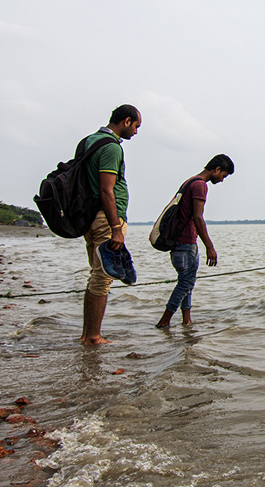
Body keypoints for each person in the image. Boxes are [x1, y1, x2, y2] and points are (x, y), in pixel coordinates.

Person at [78, 105, 141, 345]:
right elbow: (107, 190)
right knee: (102, 278)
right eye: (136, 126)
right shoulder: (111, 147)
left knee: (96, 275)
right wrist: (116, 227)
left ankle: (87, 334)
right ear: (126, 121)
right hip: (106, 218)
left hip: (89, 216)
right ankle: (92, 337)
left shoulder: (88, 141)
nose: (136, 132)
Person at [155, 154, 234, 328]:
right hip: (185, 244)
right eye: (224, 176)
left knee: (187, 282)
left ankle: (187, 320)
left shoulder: (190, 181)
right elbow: (198, 218)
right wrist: (210, 247)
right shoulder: (199, 186)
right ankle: (164, 321)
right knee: (185, 283)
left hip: (179, 244)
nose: (222, 180)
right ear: (217, 170)